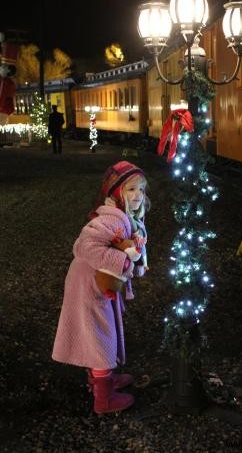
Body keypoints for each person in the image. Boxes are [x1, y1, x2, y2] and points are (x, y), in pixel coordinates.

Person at [52, 161, 150, 414]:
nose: (138, 195)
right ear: (116, 192)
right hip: (90, 283)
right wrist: (125, 261)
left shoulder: (126, 218)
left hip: (98, 281)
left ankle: (102, 378)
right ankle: (103, 398)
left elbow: (129, 250)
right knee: (99, 334)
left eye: (141, 189)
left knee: (102, 329)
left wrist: (134, 265)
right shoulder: (110, 219)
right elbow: (84, 247)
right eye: (130, 190)